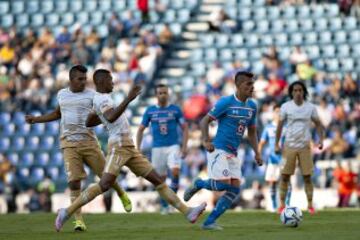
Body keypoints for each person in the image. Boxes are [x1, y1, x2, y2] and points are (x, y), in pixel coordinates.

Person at [54, 69, 206, 232]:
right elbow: (111, 117)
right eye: (110, 79)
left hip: (129, 147)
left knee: (157, 180)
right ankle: (67, 212)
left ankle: (188, 212)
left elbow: (89, 121)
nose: (113, 82)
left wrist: (102, 117)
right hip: (119, 146)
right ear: (102, 81)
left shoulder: (100, 99)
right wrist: (128, 99)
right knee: (105, 184)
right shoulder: (102, 98)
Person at [25, 65, 132, 231]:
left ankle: (121, 193)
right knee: (74, 182)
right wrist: (36, 119)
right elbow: (57, 114)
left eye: (85, 79)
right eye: (80, 79)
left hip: (89, 142)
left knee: (106, 176)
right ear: (71, 79)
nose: (83, 82)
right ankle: (78, 221)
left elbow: (105, 113)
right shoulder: (62, 94)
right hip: (68, 144)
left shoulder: (93, 95)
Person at [183, 71, 263, 230]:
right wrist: (206, 140)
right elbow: (204, 121)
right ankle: (199, 183)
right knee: (222, 185)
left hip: (233, 152)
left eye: (252, 84)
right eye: (248, 84)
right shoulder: (226, 102)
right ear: (238, 85)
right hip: (218, 148)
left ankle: (209, 222)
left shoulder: (252, 107)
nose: (252, 87)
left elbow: (252, 131)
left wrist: (257, 152)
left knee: (234, 189)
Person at [136, 84, 189, 214]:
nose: (163, 95)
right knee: (160, 180)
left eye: (165, 92)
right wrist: (138, 148)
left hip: (173, 146)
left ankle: (173, 202)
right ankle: (165, 205)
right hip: (157, 148)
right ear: (156, 95)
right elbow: (140, 130)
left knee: (175, 171)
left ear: (168, 94)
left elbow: (185, 128)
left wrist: (184, 146)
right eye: (160, 93)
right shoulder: (150, 111)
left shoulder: (175, 110)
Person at [275, 81, 324, 214]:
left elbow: (319, 124)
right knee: (285, 176)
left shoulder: (310, 107)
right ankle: (281, 205)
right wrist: (276, 144)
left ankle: (310, 205)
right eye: (295, 90)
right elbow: (279, 126)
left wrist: (321, 140)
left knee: (307, 177)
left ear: (304, 92)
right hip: (289, 146)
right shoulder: (285, 107)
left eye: (300, 90)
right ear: (291, 92)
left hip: (305, 146)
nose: (297, 93)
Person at [258, 104, 291, 212]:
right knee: (272, 182)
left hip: (284, 158)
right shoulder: (268, 127)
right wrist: (258, 154)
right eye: (276, 112)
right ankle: (274, 205)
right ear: (273, 113)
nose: (278, 114)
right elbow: (262, 142)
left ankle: (287, 205)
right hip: (272, 159)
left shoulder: (286, 127)